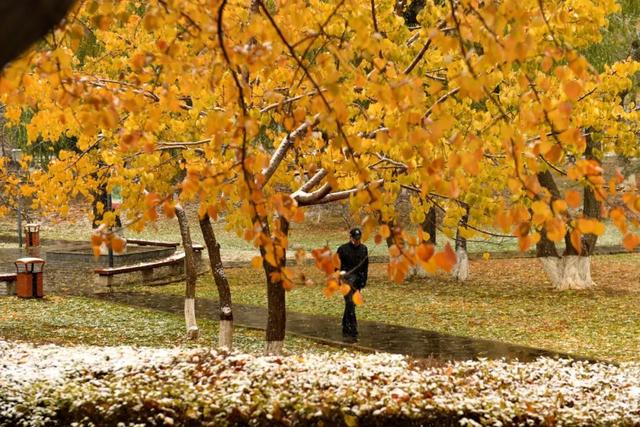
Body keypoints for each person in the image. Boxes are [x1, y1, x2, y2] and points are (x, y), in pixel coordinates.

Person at [337, 227, 369, 341]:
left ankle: (346, 327)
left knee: (352, 304)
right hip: (346, 281)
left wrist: (364, 280)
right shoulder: (342, 249)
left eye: (358, 239)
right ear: (350, 237)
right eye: (355, 239)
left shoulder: (364, 249)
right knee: (349, 302)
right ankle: (353, 329)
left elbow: (365, 266)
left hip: (357, 281)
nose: (357, 241)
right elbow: (336, 265)